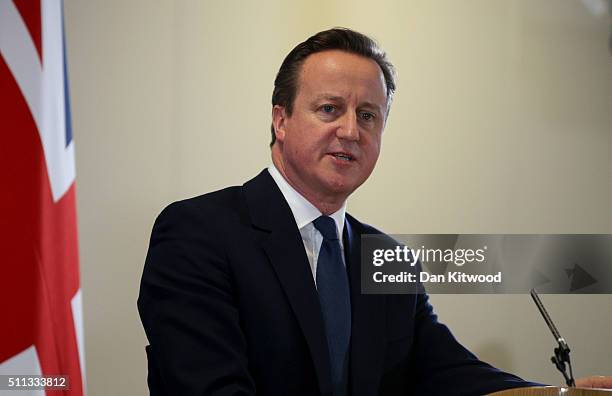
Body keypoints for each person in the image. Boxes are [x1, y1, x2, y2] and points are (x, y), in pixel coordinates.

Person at [137, 28, 610, 396]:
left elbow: (444, 370)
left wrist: (555, 394)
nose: (350, 131)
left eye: (368, 115)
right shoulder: (200, 232)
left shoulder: (387, 258)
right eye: (329, 109)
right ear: (281, 120)